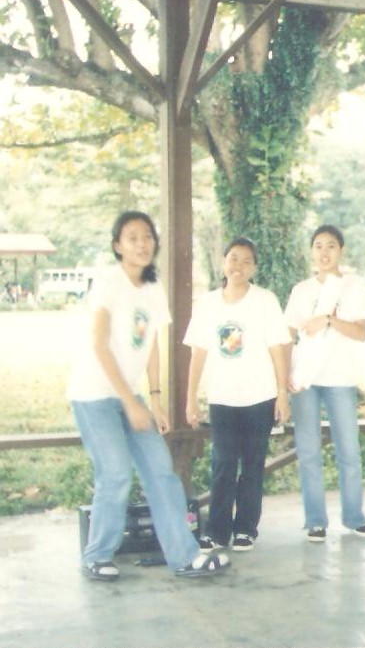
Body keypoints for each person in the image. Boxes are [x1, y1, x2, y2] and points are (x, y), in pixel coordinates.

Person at [67, 210, 229, 581]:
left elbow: (153, 343)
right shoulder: (108, 283)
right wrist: (128, 401)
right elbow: (99, 345)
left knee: (161, 471)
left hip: (130, 396)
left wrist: (153, 400)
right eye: (133, 237)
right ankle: (97, 555)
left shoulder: (153, 288)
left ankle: (185, 557)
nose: (142, 243)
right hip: (94, 394)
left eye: (147, 236)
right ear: (117, 246)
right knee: (116, 472)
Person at [184, 237, 292, 553]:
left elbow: (278, 349)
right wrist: (191, 398)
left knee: (253, 465)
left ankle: (246, 528)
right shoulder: (208, 304)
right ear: (223, 262)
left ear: (254, 268)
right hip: (222, 398)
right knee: (223, 464)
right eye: (233, 258)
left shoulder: (265, 300)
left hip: (260, 396)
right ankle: (216, 531)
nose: (238, 266)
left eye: (246, 261)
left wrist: (282, 394)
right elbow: (198, 353)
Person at [284, 225, 365, 541]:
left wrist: (329, 320)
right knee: (308, 451)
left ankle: (353, 516)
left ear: (341, 250)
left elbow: (362, 333)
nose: (324, 252)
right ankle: (315, 520)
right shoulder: (301, 290)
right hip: (305, 379)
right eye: (319, 245)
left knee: (348, 450)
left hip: (341, 378)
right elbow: (288, 336)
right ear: (312, 251)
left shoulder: (353, 286)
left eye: (331, 246)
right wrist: (285, 378)